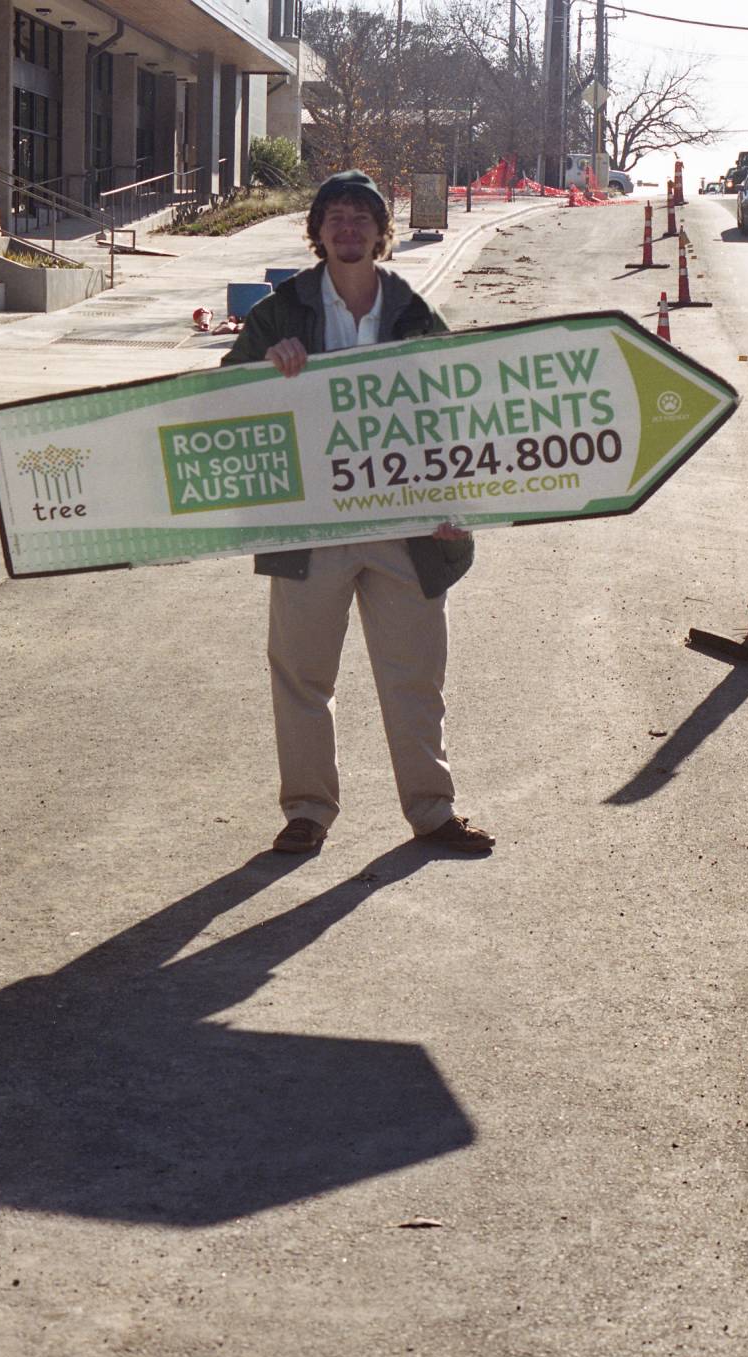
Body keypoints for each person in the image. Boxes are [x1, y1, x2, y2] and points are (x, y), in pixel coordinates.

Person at [222, 170, 494, 858]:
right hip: (311, 526)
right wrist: (264, 368)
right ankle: (307, 812)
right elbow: (222, 397)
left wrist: (455, 508)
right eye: (334, 217)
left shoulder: (412, 312)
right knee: (301, 675)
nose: (347, 228)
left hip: (405, 530)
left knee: (415, 676)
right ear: (317, 233)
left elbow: (455, 417)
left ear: (380, 232)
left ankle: (433, 811)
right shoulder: (280, 313)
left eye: (360, 217)